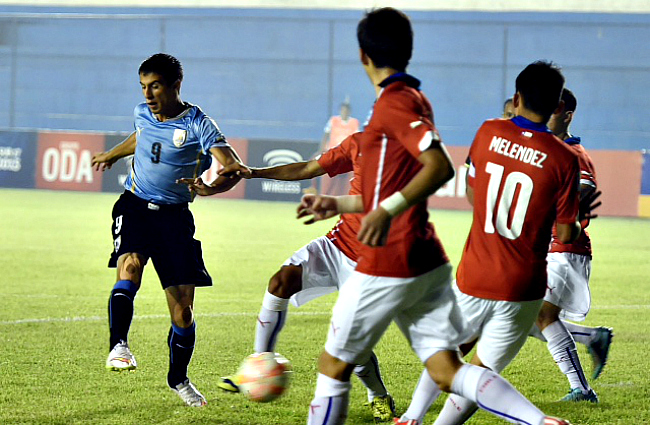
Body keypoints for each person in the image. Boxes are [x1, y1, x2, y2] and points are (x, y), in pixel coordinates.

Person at [300, 9, 573, 425]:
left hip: (393, 259)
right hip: (441, 264)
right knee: (449, 370)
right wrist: (336, 205)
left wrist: (387, 210)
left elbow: (440, 167)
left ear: (362, 56)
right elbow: (388, 188)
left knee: (333, 366)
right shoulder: (413, 100)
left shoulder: (402, 105)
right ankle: (540, 422)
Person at [395, 62, 601, 425]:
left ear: (517, 97)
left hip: (477, 273)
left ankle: (413, 417)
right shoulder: (566, 159)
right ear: (556, 105)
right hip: (525, 285)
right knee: (482, 369)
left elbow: (475, 197)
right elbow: (567, 233)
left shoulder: (488, 131)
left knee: (449, 356)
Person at [201, 133, 397, 422]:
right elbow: (308, 168)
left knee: (351, 342)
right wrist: (254, 173)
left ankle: (378, 394)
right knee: (282, 281)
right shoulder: (359, 143)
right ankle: (258, 365)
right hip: (338, 244)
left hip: (374, 263)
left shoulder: (413, 155)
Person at [91, 53, 243, 407]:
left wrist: (213, 187)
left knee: (183, 312)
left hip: (174, 219)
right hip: (135, 205)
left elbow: (231, 165)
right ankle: (119, 346)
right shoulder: (142, 112)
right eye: (143, 86)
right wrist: (113, 154)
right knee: (130, 268)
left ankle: (179, 379)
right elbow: (141, 135)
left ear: (176, 85)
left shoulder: (197, 124)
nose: (147, 95)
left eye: (155, 86)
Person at [526, 88, 613, 402]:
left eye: (550, 111)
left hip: (567, 248)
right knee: (528, 316)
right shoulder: (546, 149)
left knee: (539, 315)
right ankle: (593, 338)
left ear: (567, 115)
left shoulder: (574, 155)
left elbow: (581, 198)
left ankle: (582, 389)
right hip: (548, 249)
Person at [307, 100, 360, 196]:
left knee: (353, 174)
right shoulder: (333, 120)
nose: (344, 112)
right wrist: (321, 149)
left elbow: (357, 139)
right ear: (340, 111)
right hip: (333, 153)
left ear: (349, 112)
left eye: (346, 110)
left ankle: (350, 196)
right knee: (324, 173)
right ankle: (321, 194)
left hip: (347, 156)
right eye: (343, 110)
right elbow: (326, 135)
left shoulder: (354, 122)